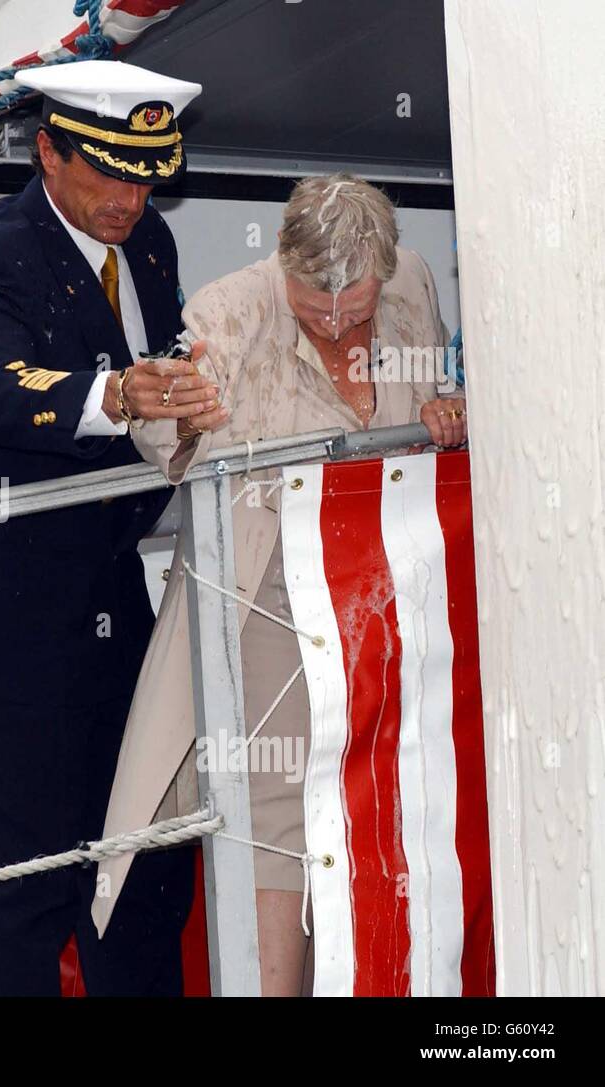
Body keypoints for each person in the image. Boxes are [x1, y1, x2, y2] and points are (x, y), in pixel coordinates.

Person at [91, 173, 468, 996]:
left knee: (397, 793)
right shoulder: (230, 310)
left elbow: (434, 393)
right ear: (284, 266)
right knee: (275, 819)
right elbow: (165, 433)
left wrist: (447, 412)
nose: (336, 325)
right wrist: (173, 413)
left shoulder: (413, 283)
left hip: (393, 600)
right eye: (314, 309)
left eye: (356, 311)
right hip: (267, 597)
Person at [0, 60, 221, 996]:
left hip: (117, 612)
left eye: (145, 175)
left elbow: (166, 355)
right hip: (15, 633)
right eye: (108, 171)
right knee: (30, 896)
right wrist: (113, 393)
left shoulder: (150, 244)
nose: (129, 198)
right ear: (48, 152)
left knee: (143, 873)